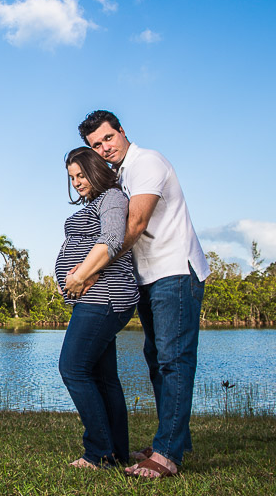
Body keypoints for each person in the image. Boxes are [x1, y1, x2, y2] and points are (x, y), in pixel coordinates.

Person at [72, 110, 210, 480]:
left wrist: (92, 270)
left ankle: (167, 454)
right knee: (156, 359)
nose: (104, 148)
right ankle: (171, 440)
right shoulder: (117, 176)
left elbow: (134, 224)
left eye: (107, 138)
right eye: (96, 145)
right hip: (148, 277)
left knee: (173, 360)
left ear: (122, 131)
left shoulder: (146, 162)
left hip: (174, 271)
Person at [55, 147, 139, 469]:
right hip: (94, 299)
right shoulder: (95, 203)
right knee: (104, 379)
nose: (76, 182)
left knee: (72, 368)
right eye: (72, 177)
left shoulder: (112, 198)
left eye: (81, 174)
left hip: (104, 298)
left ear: (96, 169)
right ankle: (117, 452)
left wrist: (80, 276)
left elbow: (113, 239)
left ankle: (98, 452)